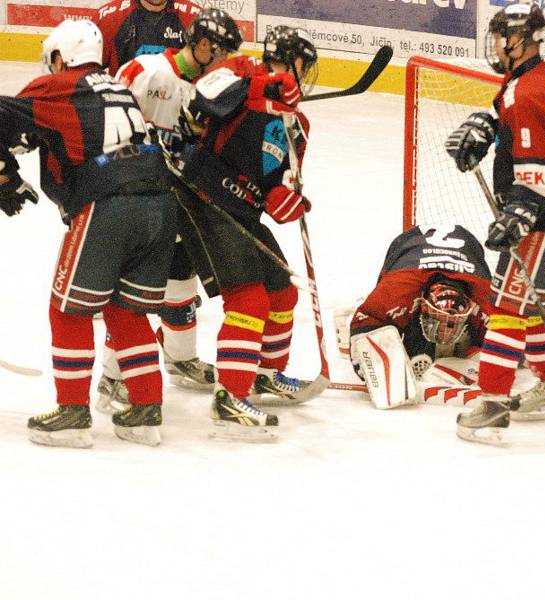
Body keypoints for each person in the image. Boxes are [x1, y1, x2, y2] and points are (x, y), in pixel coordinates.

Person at [0, 19, 177, 448]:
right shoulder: (117, 85)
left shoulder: (60, 86)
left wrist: (4, 174)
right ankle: (145, 413)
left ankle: (73, 413)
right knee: (127, 313)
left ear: (61, 57)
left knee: (68, 312)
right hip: (160, 204)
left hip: (108, 204)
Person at [445, 2, 545, 444]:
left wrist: (518, 213)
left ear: (520, 40)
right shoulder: (536, 75)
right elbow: (515, 111)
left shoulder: (527, 93)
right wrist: (488, 125)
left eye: (500, 38)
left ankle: (492, 403)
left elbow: (536, 173)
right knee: (534, 304)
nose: (494, 46)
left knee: (508, 308)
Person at [171, 25, 318, 440]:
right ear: (296, 61)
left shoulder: (298, 123)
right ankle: (229, 398)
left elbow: (281, 181)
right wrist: (262, 88)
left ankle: (264, 375)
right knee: (248, 299)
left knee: (282, 292)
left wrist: (284, 199)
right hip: (205, 195)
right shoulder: (242, 69)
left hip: (243, 211)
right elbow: (203, 97)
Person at [95, 7, 242, 413]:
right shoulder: (145, 70)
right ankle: (111, 378)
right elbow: (106, 121)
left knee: (182, 276)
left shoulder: (210, 89)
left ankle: (180, 356)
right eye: (222, 51)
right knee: (137, 291)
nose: (225, 61)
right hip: (137, 200)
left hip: (180, 198)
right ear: (203, 45)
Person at [345, 224, 492, 408]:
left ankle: (451, 339)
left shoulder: (486, 298)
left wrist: (473, 352)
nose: (445, 335)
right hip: (408, 246)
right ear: (421, 300)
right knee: (390, 316)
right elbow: (366, 320)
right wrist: (366, 364)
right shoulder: (398, 289)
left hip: (467, 246)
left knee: (488, 340)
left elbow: (511, 339)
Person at [94, 0, 202, 77]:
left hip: (178, 104)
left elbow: (211, 77)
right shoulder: (110, 18)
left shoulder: (195, 18)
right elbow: (86, 74)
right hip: (127, 105)